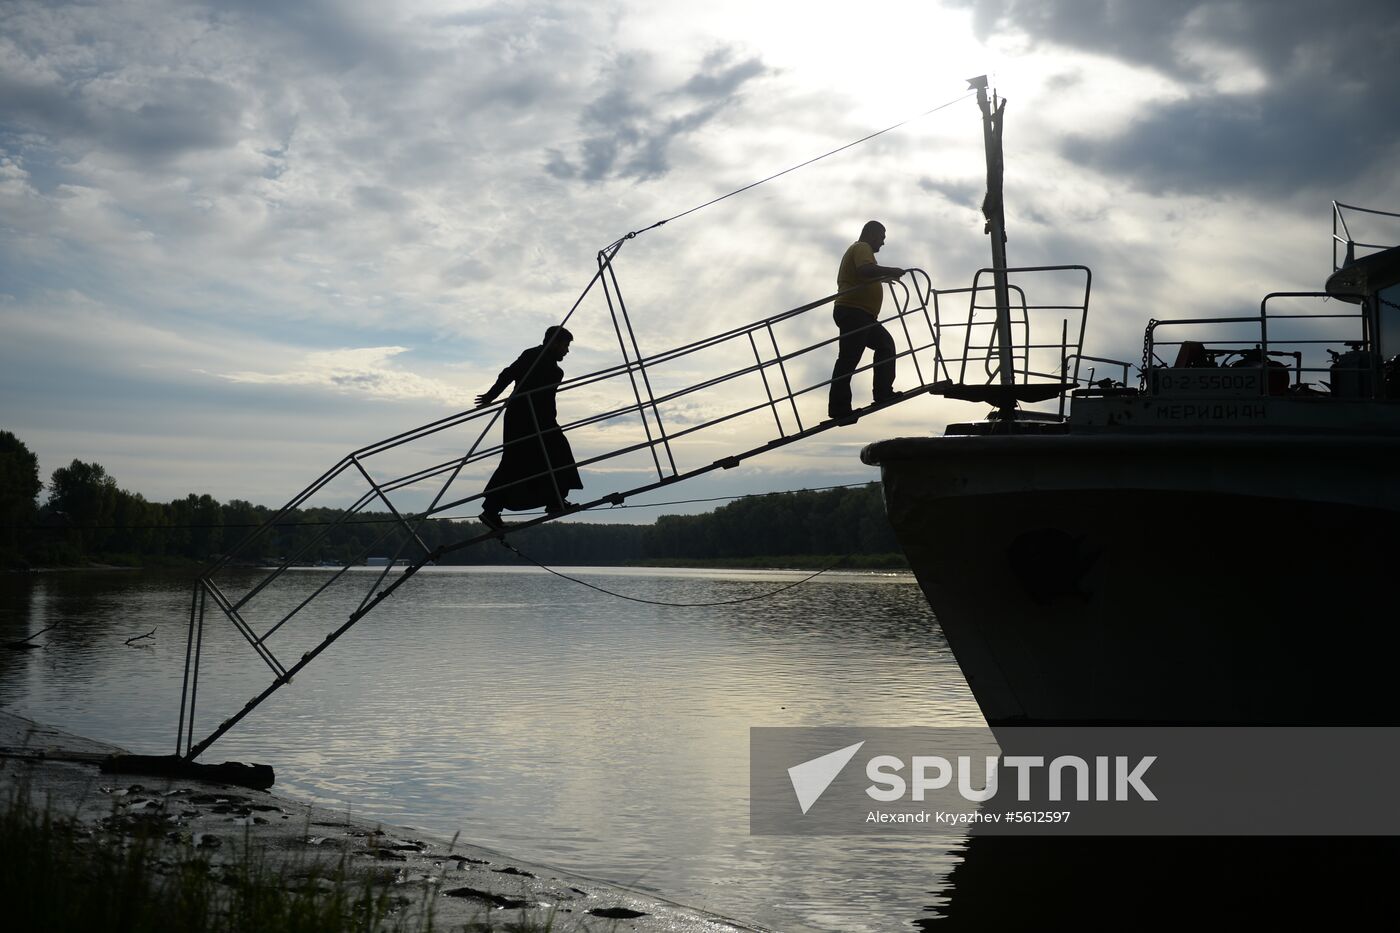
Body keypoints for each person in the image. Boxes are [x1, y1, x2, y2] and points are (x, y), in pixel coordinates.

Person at [475, 325, 582, 530]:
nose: (567, 351)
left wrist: (492, 396)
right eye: (565, 346)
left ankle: (554, 500)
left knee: (548, 457)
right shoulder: (533, 357)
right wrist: (491, 396)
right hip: (525, 419)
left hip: (540, 419)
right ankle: (492, 510)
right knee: (517, 460)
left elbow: (511, 375)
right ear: (555, 343)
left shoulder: (548, 364)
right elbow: (508, 374)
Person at [828, 220, 905, 420]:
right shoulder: (862, 248)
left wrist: (881, 279)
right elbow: (864, 270)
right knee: (849, 358)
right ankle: (839, 408)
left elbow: (864, 274)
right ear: (872, 234)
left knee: (885, 345)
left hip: (862, 315)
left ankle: (882, 393)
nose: (883, 243)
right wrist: (891, 270)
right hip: (854, 312)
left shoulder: (861, 251)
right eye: (882, 238)